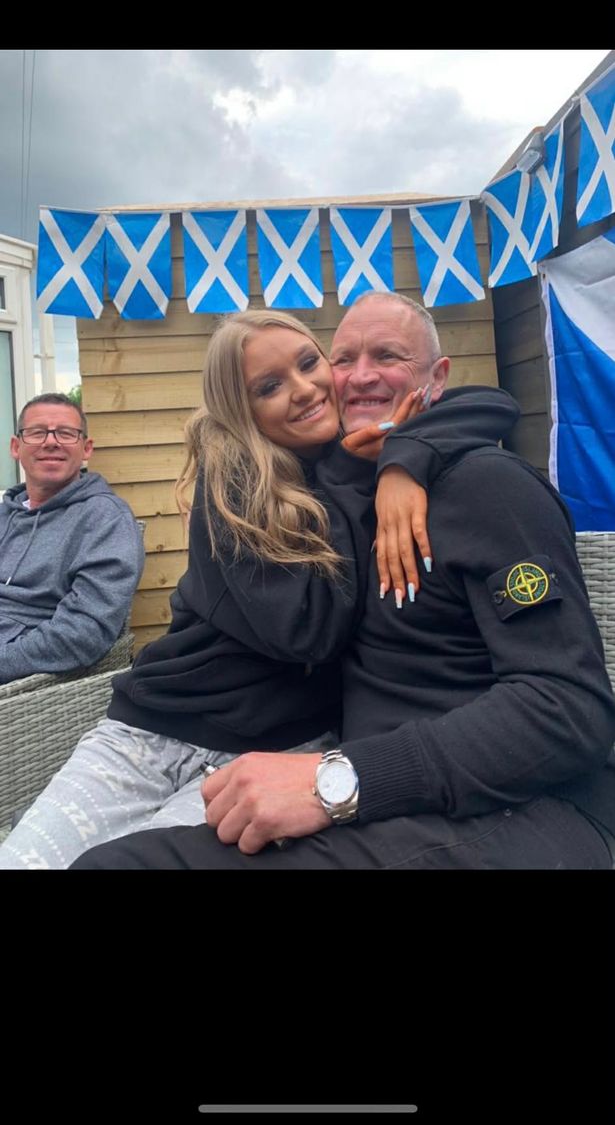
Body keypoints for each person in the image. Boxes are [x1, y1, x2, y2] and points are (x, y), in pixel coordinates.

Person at [72, 292, 615, 870]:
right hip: (376, 799)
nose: (359, 377)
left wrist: (341, 779)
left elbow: (569, 708)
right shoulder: (328, 487)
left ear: (437, 377)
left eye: (388, 356)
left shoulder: (489, 486)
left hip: (516, 811)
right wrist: (389, 463)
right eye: (343, 358)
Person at [0, 392, 144, 685]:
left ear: (86, 448)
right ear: (16, 447)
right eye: (37, 432)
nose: (51, 442)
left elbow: (82, 633)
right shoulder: (6, 514)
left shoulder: (105, 520)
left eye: (65, 433)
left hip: (20, 671)